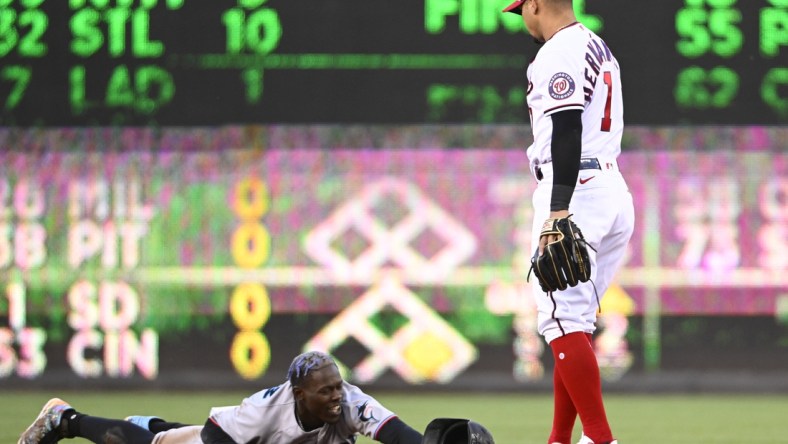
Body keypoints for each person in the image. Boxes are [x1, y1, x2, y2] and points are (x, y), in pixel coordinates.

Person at [502, 1, 634, 444]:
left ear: (535, 4)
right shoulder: (599, 46)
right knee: (572, 324)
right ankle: (559, 438)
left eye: (521, 8)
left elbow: (566, 126)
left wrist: (558, 210)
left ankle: (600, 439)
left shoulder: (558, 51)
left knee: (559, 322)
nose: (522, 17)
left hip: (576, 190)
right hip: (611, 188)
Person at [18, 351, 424, 444]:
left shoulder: (350, 402)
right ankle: (64, 419)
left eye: (338, 386)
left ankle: (154, 425)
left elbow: (398, 434)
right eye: (326, 390)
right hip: (226, 436)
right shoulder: (265, 411)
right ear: (299, 394)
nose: (337, 396)